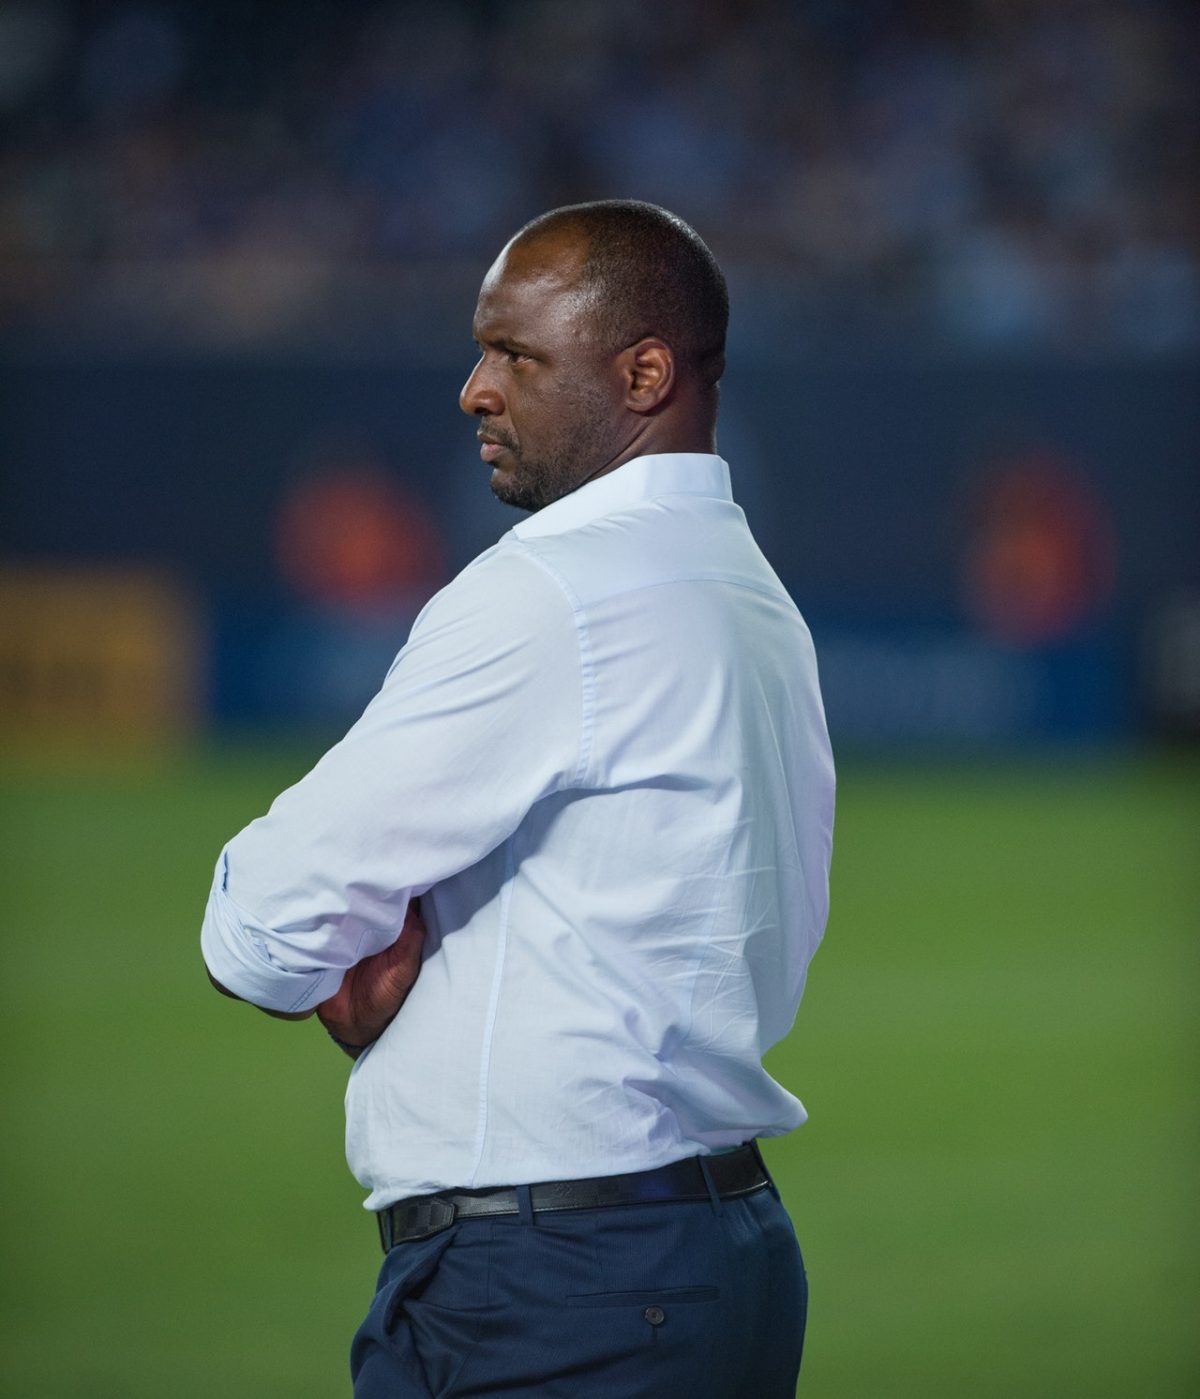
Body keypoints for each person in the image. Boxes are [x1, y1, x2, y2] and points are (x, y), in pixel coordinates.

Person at [202, 199, 835, 1398]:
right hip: (720, 1254)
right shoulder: (753, 595)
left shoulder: (552, 590)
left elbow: (263, 927)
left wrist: (324, 969)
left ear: (644, 374)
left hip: (554, 1283)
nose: (474, 391)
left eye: (515, 354)